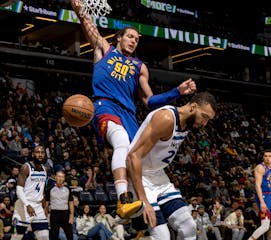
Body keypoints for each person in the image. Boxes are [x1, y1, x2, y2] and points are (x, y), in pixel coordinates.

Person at [70, 0, 197, 220]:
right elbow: (87, 24)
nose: (134, 41)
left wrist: (177, 91)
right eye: (130, 36)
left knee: (134, 157)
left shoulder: (140, 67)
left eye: (137, 39)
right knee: (120, 140)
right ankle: (124, 199)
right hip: (104, 105)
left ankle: (143, 209)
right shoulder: (104, 49)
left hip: (128, 115)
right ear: (118, 37)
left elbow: (149, 101)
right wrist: (79, 9)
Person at [127, 92, 216, 239]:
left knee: (189, 227)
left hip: (158, 176)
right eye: (204, 117)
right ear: (193, 107)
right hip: (138, 175)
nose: (204, 123)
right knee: (162, 236)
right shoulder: (166, 118)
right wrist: (143, 199)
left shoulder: (188, 123)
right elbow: (133, 156)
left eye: (208, 120)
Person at [11, 145, 49, 240]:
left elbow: (41, 190)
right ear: (33, 154)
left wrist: (45, 207)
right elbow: (19, 189)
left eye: (42, 152)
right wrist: (27, 205)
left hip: (38, 206)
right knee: (17, 237)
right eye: (37, 152)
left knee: (44, 236)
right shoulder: (26, 167)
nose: (40, 155)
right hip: (24, 204)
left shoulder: (45, 169)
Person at [248, 150, 271, 240]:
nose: (267, 158)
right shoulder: (260, 168)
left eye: (269, 156)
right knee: (265, 226)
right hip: (263, 197)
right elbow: (257, 186)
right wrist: (262, 202)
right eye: (265, 156)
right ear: (263, 158)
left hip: (270, 196)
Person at [45, 170, 74, 240]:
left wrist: (72, 215)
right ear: (55, 177)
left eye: (62, 177)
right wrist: (46, 216)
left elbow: (71, 202)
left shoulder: (68, 188)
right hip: (54, 214)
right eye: (59, 176)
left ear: (64, 178)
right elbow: (46, 204)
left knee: (70, 235)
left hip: (65, 214)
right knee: (54, 236)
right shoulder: (50, 188)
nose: (60, 178)